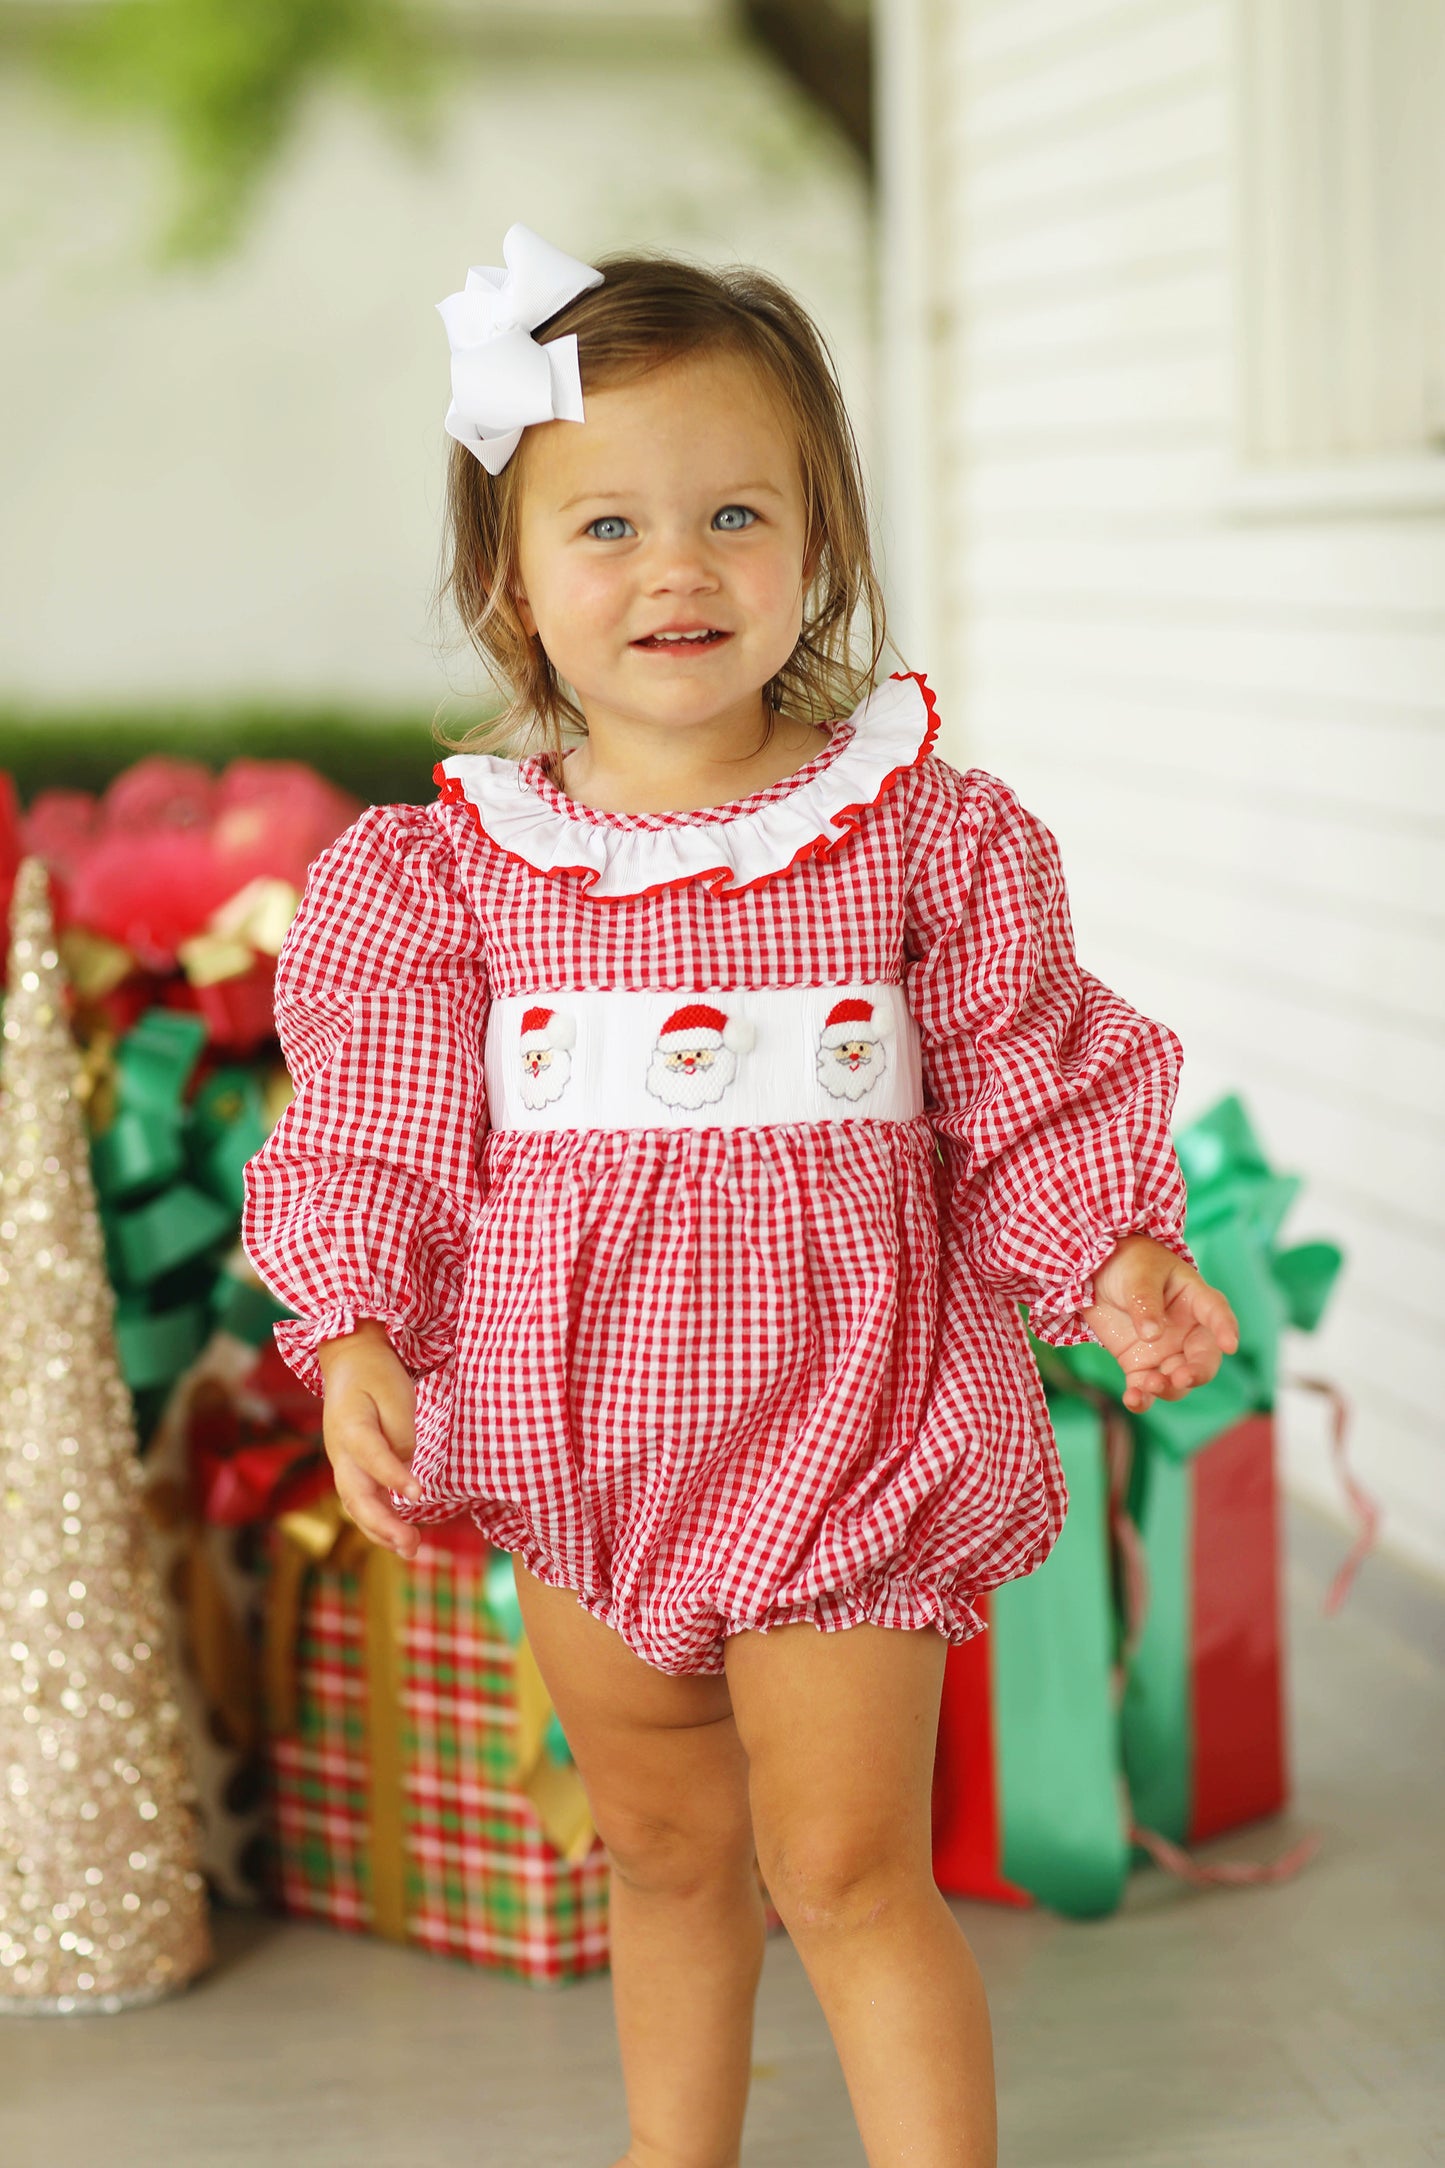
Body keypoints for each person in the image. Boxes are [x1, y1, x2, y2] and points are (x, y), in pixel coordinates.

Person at [242, 224, 1240, 2168]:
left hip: (849, 1423)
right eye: (604, 525)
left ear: (820, 550)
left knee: (847, 1864)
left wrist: (1112, 1254)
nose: (675, 564)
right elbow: (373, 1122)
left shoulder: (926, 839)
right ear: (508, 586)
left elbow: (1024, 1095)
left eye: (732, 511)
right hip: (582, 1433)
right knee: (671, 1844)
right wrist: (354, 1323)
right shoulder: (450, 878)